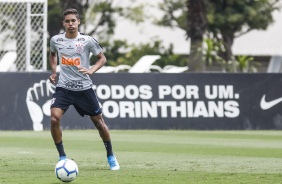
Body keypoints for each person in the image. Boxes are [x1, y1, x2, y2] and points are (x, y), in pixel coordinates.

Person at [48, 8, 120, 171]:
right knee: (54, 119)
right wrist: (54, 72)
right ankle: (62, 158)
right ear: (63, 24)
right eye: (67, 21)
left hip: (84, 89)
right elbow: (52, 54)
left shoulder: (87, 41)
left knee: (99, 123)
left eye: (73, 20)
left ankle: (110, 155)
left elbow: (102, 58)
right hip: (64, 88)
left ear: (78, 22)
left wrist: (92, 70)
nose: (71, 24)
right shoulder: (56, 40)